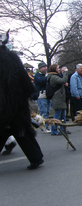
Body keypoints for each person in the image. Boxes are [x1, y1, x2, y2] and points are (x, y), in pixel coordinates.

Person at [0, 32, 44, 170]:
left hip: (7, 105)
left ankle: (36, 158)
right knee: (22, 132)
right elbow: (27, 84)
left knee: (15, 131)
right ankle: (36, 158)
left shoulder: (4, 60)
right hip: (18, 104)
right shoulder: (13, 58)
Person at [47, 64, 70, 135]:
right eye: (57, 68)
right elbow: (63, 80)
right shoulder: (53, 77)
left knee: (63, 116)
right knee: (57, 116)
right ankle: (54, 130)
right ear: (54, 69)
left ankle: (64, 129)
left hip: (61, 99)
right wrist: (65, 72)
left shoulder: (56, 76)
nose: (59, 69)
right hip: (57, 99)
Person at [34, 61, 51, 133]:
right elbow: (42, 82)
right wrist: (47, 77)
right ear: (40, 68)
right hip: (41, 96)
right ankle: (43, 128)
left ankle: (46, 127)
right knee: (43, 112)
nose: (46, 68)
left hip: (47, 95)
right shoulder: (37, 76)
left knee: (47, 112)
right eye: (44, 67)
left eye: (46, 67)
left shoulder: (44, 75)